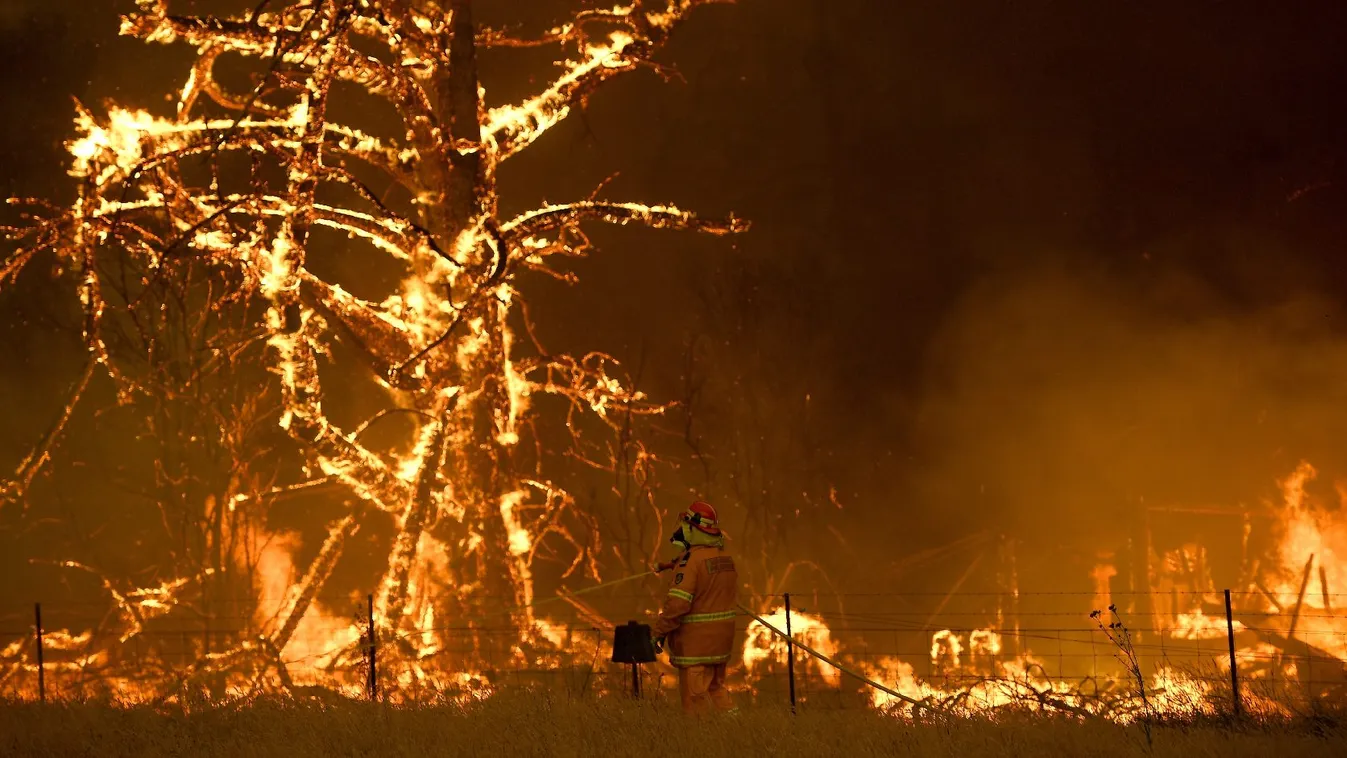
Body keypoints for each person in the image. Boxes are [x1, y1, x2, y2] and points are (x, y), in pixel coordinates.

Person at [652, 501, 738, 714]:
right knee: (717, 690)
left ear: (692, 528)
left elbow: (678, 605)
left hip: (695, 647)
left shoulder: (690, 562)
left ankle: (698, 740)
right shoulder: (724, 559)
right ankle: (737, 730)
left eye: (685, 524)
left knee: (694, 701)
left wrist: (657, 632)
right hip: (721, 643)